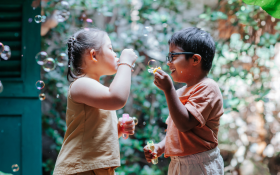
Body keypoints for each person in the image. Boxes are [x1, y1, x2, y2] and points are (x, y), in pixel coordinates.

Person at [53, 28, 137, 175]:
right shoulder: (81, 84)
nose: (115, 54)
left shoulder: (98, 91)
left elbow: (94, 133)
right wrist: (126, 62)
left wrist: (118, 129)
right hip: (80, 168)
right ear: (93, 55)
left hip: (93, 167)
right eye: (111, 49)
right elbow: (117, 98)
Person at [143, 27, 224, 175]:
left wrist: (168, 90)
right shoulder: (179, 92)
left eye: (173, 56)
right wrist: (161, 147)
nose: (168, 63)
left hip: (200, 165)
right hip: (178, 164)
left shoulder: (208, 88)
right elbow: (174, 130)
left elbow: (184, 124)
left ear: (195, 59)